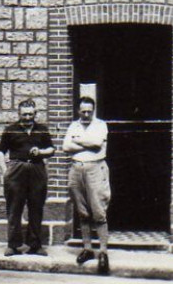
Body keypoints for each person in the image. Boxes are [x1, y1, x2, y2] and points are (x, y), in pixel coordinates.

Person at [0, 98, 55, 256]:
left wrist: (41, 152)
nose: (27, 118)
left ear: (35, 113)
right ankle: (13, 244)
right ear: (19, 114)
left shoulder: (42, 129)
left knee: (36, 207)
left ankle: (35, 244)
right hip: (17, 169)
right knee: (14, 208)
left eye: (30, 114)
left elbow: (51, 149)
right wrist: (4, 171)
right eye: (24, 115)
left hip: (36, 170)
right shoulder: (10, 129)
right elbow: (0, 151)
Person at [62, 95, 112, 275]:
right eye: (83, 111)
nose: (85, 114)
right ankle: (88, 248)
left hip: (95, 169)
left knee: (98, 211)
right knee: (82, 212)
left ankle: (103, 253)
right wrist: (86, 144)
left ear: (93, 111)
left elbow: (98, 144)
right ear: (78, 111)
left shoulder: (100, 125)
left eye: (89, 111)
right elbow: (66, 147)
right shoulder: (73, 126)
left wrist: (78, 141)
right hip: (76, 169)